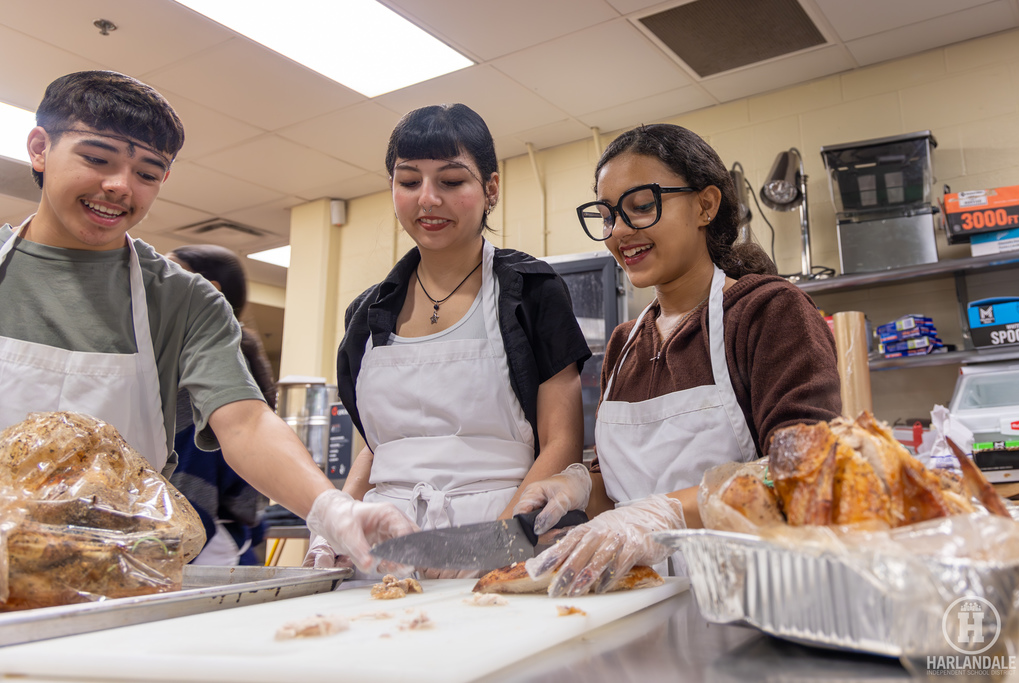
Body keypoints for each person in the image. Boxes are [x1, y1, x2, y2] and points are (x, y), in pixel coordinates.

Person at [0, 70, 417, 574]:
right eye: (97, 159)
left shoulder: (183, 300)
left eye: (147, 174)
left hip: (118, 575)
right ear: (40, 149)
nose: (120, 186)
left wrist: (331, 508)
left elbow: (244, 422)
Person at [512, 123, 842, 595]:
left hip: (753, 600)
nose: (619, 231)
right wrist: (580, 488)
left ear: (706, 205)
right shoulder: (624, 345)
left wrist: (663, 514)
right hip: (640, 600)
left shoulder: (768, 313)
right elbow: (618, 489)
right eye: (607, 215)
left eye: (641, 206)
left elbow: (806, 473)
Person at [303, 103, 592, 576]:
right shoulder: (367, 314)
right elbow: (379, 447)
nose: (427, 199)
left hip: (504, 542)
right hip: (383, 554)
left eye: (451, 181)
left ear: (491, 188)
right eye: (408, 181)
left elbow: (561, 443)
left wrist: (492, 546)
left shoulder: (532, 291)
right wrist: (333, 523)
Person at [166, 244, 276, 566]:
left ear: (209, 289)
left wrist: (167, 545)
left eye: (170, 271)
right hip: (200, 531)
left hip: (201, 538)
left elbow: (196, 468)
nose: (156, 281)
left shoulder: (212, 361)